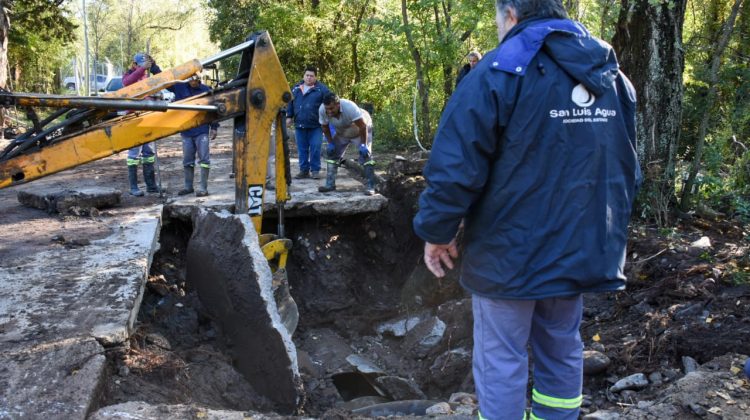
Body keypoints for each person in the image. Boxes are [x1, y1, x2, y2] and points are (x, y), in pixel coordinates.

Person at [412, 1, 641, 419]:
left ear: (512, 14)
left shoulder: (498, 72)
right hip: (582, 247)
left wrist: (437, 231)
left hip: (509, 252)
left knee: (502, 355)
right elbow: (625, 167)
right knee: (562, 344)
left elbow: (455, 167)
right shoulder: (612, 76)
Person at [167, 75, 218, 196]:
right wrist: (153, 66)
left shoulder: (205, 90)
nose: (193, 82)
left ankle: (203, 188)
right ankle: (188, 186)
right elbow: (166, 81)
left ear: (199, 79)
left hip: (202, 130)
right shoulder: (179, 87)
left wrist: (214, 127)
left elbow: (213, 110)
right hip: (186, 131)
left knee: (204, 159)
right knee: (187, 160)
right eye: (191, 80)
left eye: (195, 80)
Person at [318, 93, 376, 195]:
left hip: (360, 130)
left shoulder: (350, 107)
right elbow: (325, 128)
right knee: (332, 155)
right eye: (327, 109)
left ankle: (371, 186)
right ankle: (330, 184)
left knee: (366, 156)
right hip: (342, 132)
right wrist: (330, 143)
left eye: (332, 108)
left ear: (338, 105)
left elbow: (363, 126)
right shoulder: (322, 110)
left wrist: (363, 144)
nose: (329, 112)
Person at [122, 52, 162, 196]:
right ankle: (133, 187)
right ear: (135, 64)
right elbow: (127, 83)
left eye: (146, 66)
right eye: (141, 65)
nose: (144, 68)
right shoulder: (129, 75)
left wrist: (156, 98)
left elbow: (155, 87)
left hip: (148, 118)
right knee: (134, 154)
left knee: (149, 153)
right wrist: (141, 69)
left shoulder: (146, 77)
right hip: (134, 119)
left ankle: (151, 186)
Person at [286, 66, 330, 180]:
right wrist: (289, 116)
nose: (309, 78)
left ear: (315, 77)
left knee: (315, 148)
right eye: (307, 75)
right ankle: (303, 170)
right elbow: (290, 103)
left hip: (316, 126)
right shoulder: (296, 88)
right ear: (303, 76)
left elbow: (330, 102)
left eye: (312, 76)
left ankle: (315, 170)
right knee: (302, 149)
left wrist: (328, 117)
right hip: (299, 125)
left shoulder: (322, 90)